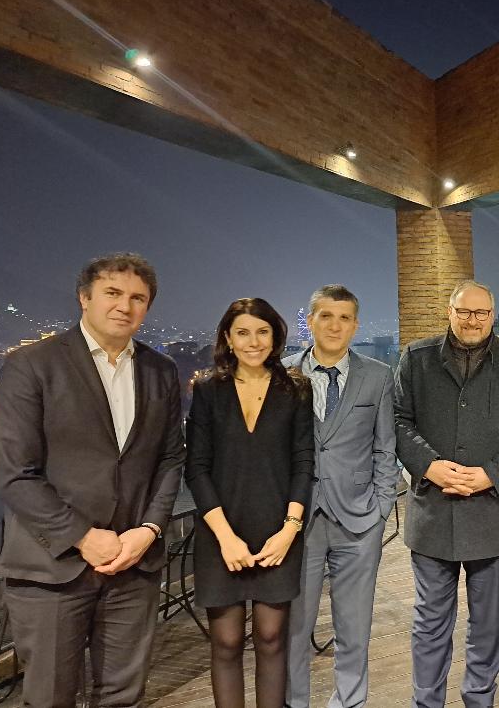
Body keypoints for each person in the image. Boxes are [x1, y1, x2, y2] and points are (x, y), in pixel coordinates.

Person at [0, 252, 184, 707]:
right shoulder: (32, 364)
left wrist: (149, 530)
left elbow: (171, 458)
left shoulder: (161, 370)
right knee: (51, 697)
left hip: (133, 565)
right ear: (84, 297)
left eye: (138, 298)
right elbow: (14, 473)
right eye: (113, 293)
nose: (125, 306)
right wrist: (82, 536)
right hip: (52, 568)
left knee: (123, 696)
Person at [394, 279, 499, 708]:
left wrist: (492, 475)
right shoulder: (416, 358)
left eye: (480, 313)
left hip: (491, 511)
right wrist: (429, 466)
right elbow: (399, 420)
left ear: (492, 316)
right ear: (450, 312)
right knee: (430, 623)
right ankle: (427, 703)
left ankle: (479, 700)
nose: (472, 320)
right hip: (433, 511)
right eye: (463, 311)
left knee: (488, 624)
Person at [185, 298, 315, 708]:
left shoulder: (295, 389)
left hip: (278, 532)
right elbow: (196, 468)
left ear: (275, 337)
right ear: (228, 337)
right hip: (220, 534)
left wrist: (289, 530)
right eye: (243, 332)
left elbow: (303, 463)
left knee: (271, 638)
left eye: (262, 332)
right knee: (225, 642)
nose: (253, 341)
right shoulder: (208, 390)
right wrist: (226, 538)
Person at [283, 285, 398, 708]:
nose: (335, 325)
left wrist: (382, 508)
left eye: (344, 318)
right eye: (326, 316)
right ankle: (295, 702)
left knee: (354, 629)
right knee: (295, 629)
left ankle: (349, 703)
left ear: (355, 324)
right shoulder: (284, 373)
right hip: (297, 522)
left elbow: (386, 448)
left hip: (360, 520)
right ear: (310, 321)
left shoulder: (377, 375)